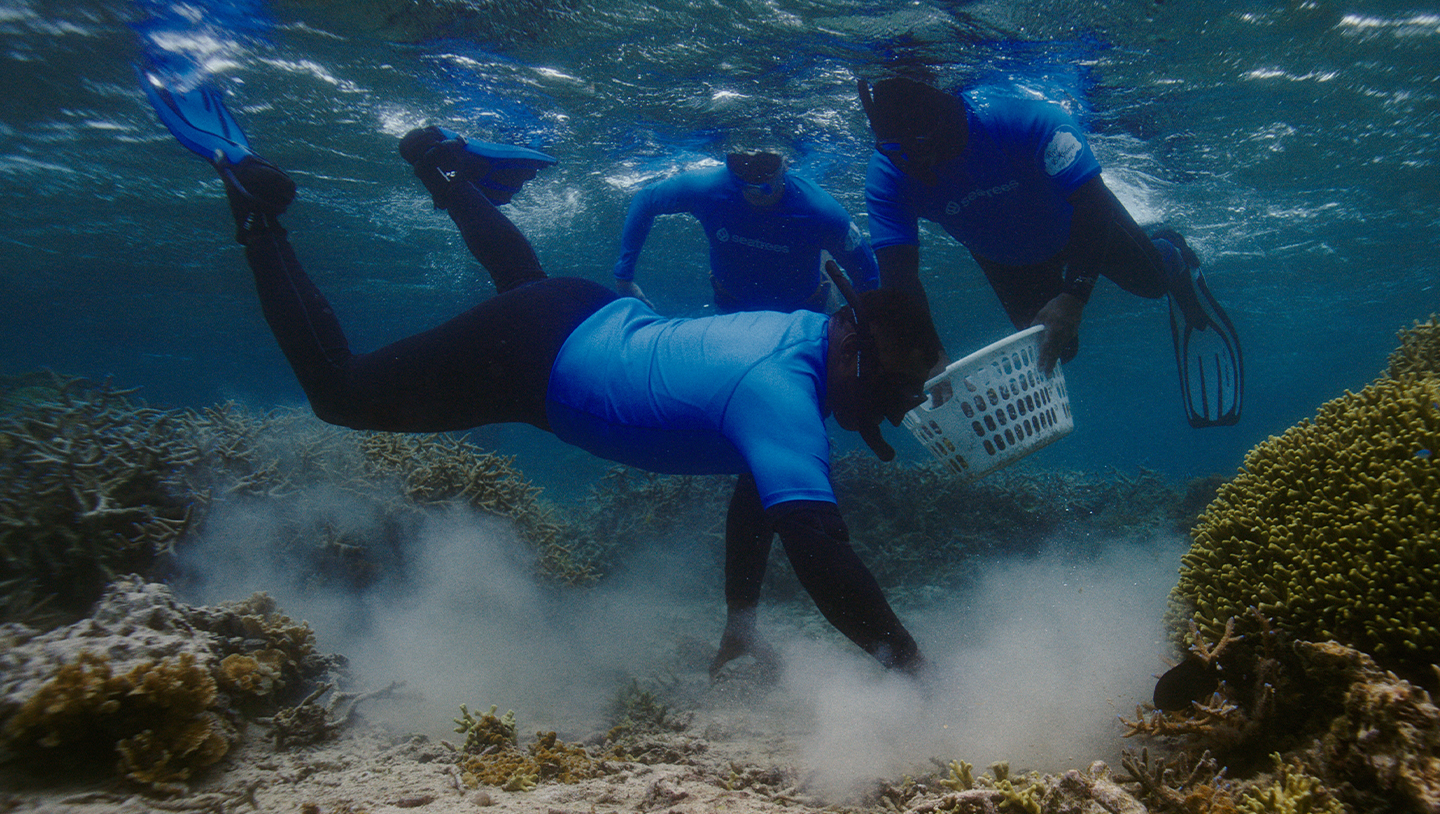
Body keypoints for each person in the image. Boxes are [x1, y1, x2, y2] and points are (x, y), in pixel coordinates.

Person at [141, 79, 941, 677]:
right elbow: (819, 549)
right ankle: (256, 209)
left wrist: (740, 620)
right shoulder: (784, 394)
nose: (885, 405)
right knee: (341, 395)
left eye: (899, 397)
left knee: (521, 280)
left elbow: (760, 493)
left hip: (577, 312)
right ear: (849, 332)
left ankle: (442, 168)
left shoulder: (800, 332)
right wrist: (908, 665)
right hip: (533, 362)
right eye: (883, 382)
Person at [858, 76, 1242, 427]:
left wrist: (1074, 296)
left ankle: (1172, 252)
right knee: (1059, 349)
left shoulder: (1023, 120)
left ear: (944, 124)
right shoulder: (889, 175)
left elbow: (1093, 205)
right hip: (1006, 258)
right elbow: (898, 273)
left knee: (1154, 284)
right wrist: (929, 354)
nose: (909, 162)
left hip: (1079, 222)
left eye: (918, 148)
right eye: (894, 150)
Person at [612, 151, 881, 315]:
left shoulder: (820, 210)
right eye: (740, 163)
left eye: (765, 163)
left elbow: (868, 276)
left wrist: (856, 325)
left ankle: (821, 260)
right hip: (733, 303)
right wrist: (623, 277)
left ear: (785, 163)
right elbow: (645, 201)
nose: (752, 173)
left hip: (804, 309)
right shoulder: (707, 189)